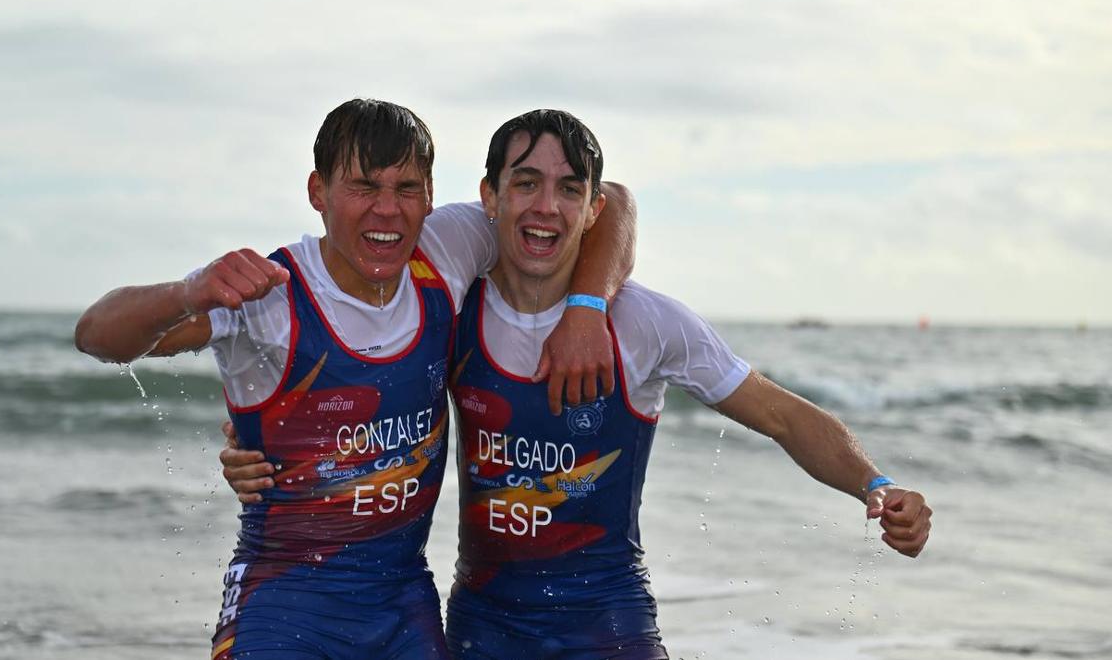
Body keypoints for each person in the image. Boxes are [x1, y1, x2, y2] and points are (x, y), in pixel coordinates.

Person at [222, 109, 933, 659]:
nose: (544, 207)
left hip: (608, 622)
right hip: (481, 625)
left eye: (568, 190)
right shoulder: (452, 299)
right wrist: (263, 445)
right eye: (525, 183)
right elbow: (352, 368)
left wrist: (876, 486)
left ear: (591, 210)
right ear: (487, 200)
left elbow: (783, 417)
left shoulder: (648, 323)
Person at [74, 99, 637, 660]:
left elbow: (613, 203)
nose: (387, 211)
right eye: (364, 187)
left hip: (403, 608)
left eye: (407, 189)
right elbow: (97, 335)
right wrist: (186, 291)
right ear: (319, 191)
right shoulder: (269, 296)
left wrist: (586, 309)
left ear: (431, 196)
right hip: (284, 603)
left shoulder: (450, 247)